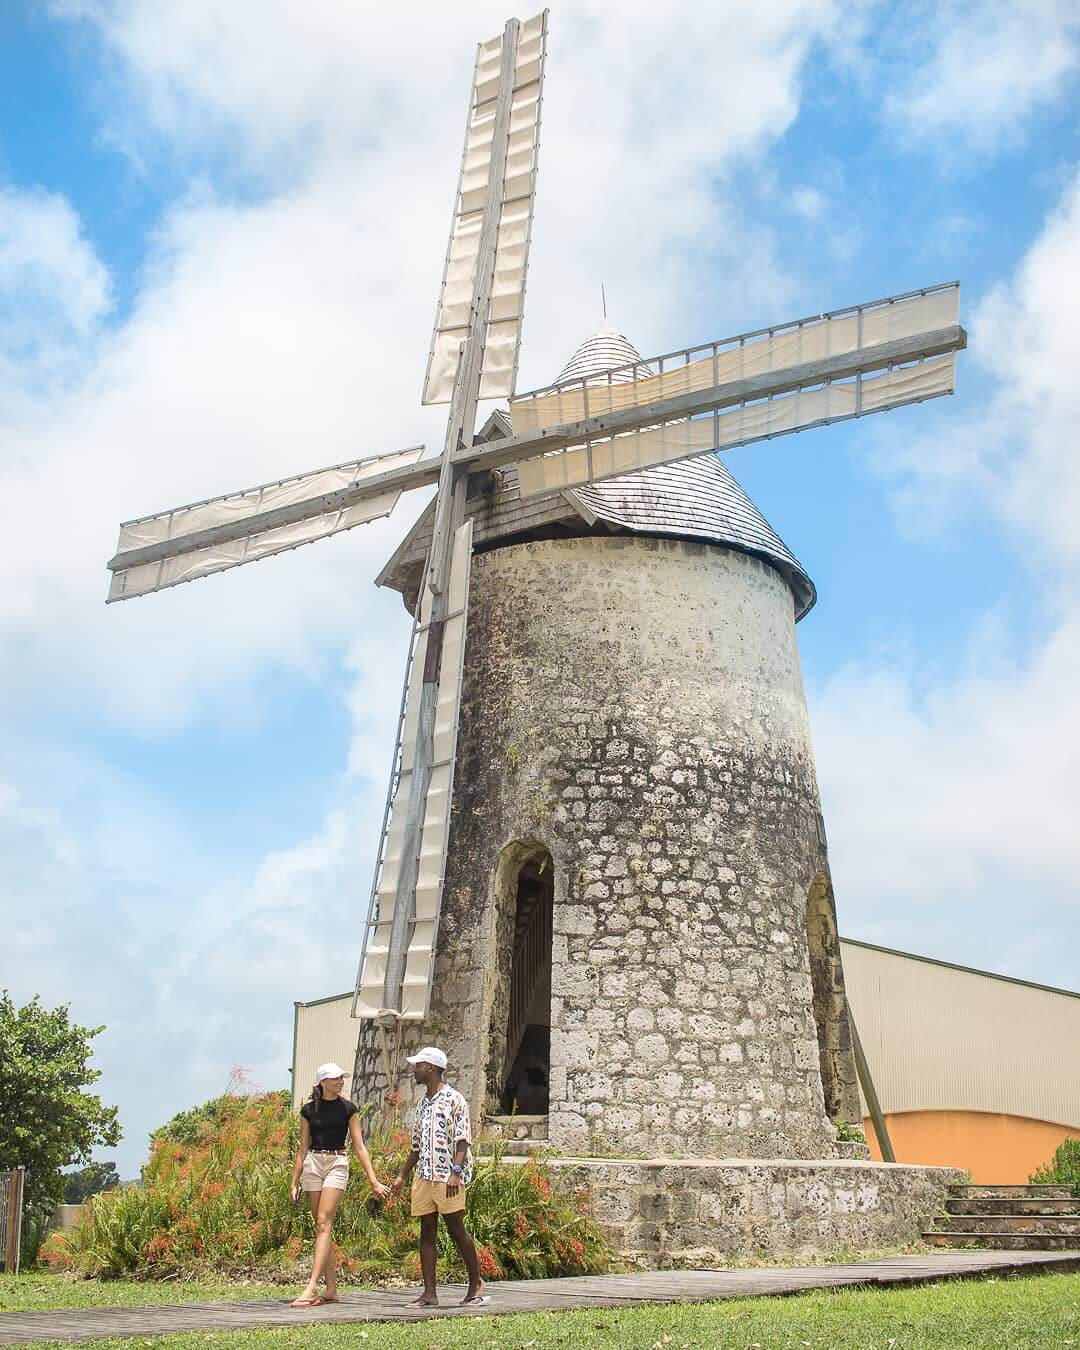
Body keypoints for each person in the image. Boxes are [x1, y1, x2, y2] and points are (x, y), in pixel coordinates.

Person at [390, 1046, 488, 1308]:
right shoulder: (422, 1104)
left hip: (448, 1176)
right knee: (427, 1232)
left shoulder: (455, 1100)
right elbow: (416, 1146)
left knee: (456, 1229)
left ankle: (475, 1282)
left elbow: (462, 1140)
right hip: (424, 1175)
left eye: (418, 1065)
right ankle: (429, 1293)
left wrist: (456, 1173)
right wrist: (401, 1176)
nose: (415, 1070)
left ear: (430, 1068)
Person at [289, 1061, 390, 1309]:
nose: (340, 1082)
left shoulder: (349, 1108)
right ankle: (331, 1289)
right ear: (322, 1082)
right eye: (335, 1078)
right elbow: (302, 1149)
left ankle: (311, 1287)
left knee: (324, 1222)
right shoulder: (308, 1110)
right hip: (313, 1163)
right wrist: (294, 1182)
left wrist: (373, 1179)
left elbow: (360, 1146)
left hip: (337, 1162)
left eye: (341, 1078)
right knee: (321, 1227)